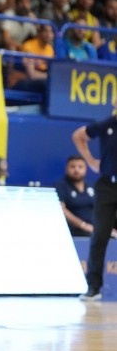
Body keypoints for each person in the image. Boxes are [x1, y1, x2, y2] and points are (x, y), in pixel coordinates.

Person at [72, 100, 117, 301]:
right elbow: (78, 135)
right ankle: (93, 287)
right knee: (99, 235)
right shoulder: (107, 124)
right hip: (107, 186)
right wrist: (91, 161)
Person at [56, 156, 97, 236]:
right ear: (66, 169)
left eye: (80, 167)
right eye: (73, 167)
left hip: (95, 228)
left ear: (86, 169)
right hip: (74, 230)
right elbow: (61, 209)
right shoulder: (60, 186)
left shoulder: (91, 187)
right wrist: (83, 225)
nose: (76, 170)